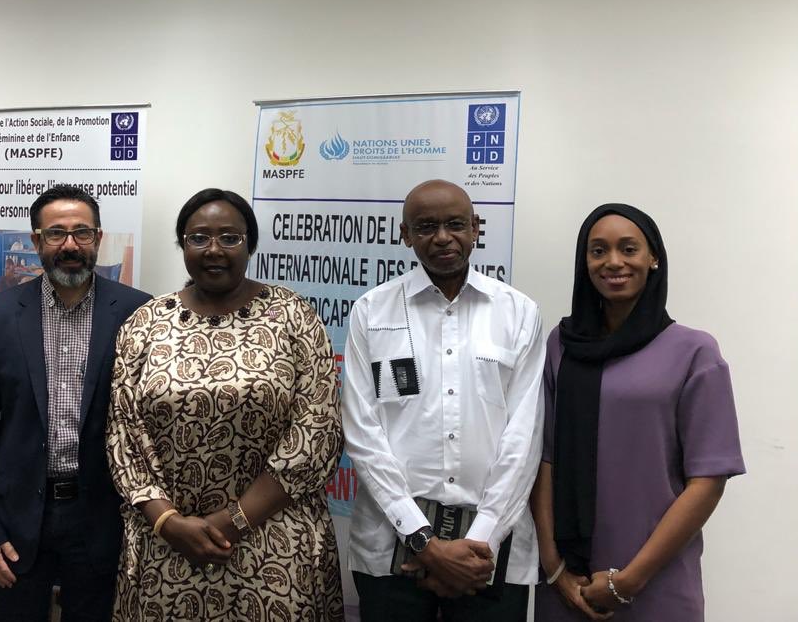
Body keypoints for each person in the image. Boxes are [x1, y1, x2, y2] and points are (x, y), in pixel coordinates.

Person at [107, 188, 344, 621]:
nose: (213, 249)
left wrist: (232, 521)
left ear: (250, 244)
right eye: (198, 238)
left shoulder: (292, 316)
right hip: (169, 546)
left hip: (274, 543)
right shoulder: (145, 323)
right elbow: (123, 435)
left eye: (229, 238)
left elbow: (317, 429)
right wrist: (170, 524)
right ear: (182, 245)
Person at [342, 179, 545, 622]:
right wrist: (425, 543)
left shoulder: (518, 313)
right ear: (404, 234)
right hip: (391, 546)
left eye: (455, 224)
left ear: (476, 228)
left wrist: (480, 542)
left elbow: (523, 438)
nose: (442, 238)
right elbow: (362, 432)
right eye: (426, 226)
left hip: (490, 550)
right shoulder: (372, 311)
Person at [531, 204, 744, 621]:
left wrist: (627, 582)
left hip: (655, 582)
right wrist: (554, 566)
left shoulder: (694, 352)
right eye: (598, 251)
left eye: (628, 249)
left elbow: (708, 480)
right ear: (584, 262)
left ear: (653, 258)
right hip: (566, 585)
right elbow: (545, 459)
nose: (613, 262)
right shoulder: (563, 345)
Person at [0, 184, 150, 622]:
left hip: (102, 518)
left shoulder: (138, 312)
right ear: (36, 240)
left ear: (98, 239)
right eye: (56, 233)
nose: (70, 245)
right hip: (17, 518)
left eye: (82, 233)